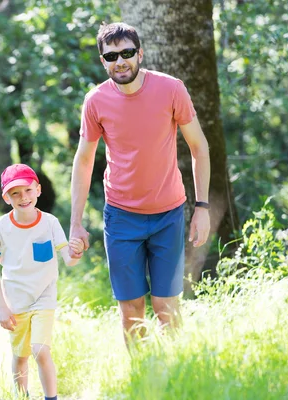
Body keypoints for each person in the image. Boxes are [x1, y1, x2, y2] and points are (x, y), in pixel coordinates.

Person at [69, 22, 211, 343]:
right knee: (131, 310)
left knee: (166, 306)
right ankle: (141, 382)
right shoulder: (95, 101)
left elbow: (199, 147)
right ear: (103, 61)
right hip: (121, 217)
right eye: (111, 56)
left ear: (140, 53)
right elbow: (84, 161)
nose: (120, 61)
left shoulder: (171, 89)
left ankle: (176, 379)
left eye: (127, 53)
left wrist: (201, 206)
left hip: (168, 214)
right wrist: (76, 223)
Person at [0, 163, 84, 400]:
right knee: (20, 357)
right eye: (15, 193)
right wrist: (2, 307)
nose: (23, 197)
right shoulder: (0, 227)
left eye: (28, 190)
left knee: (40, 350)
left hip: (43, 297)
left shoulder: (50, 223)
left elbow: (68, 260)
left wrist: (76, 251)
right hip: (15, 301)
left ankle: (52, 398)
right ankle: (22, 396)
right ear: (6, 197)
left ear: (38, 190)